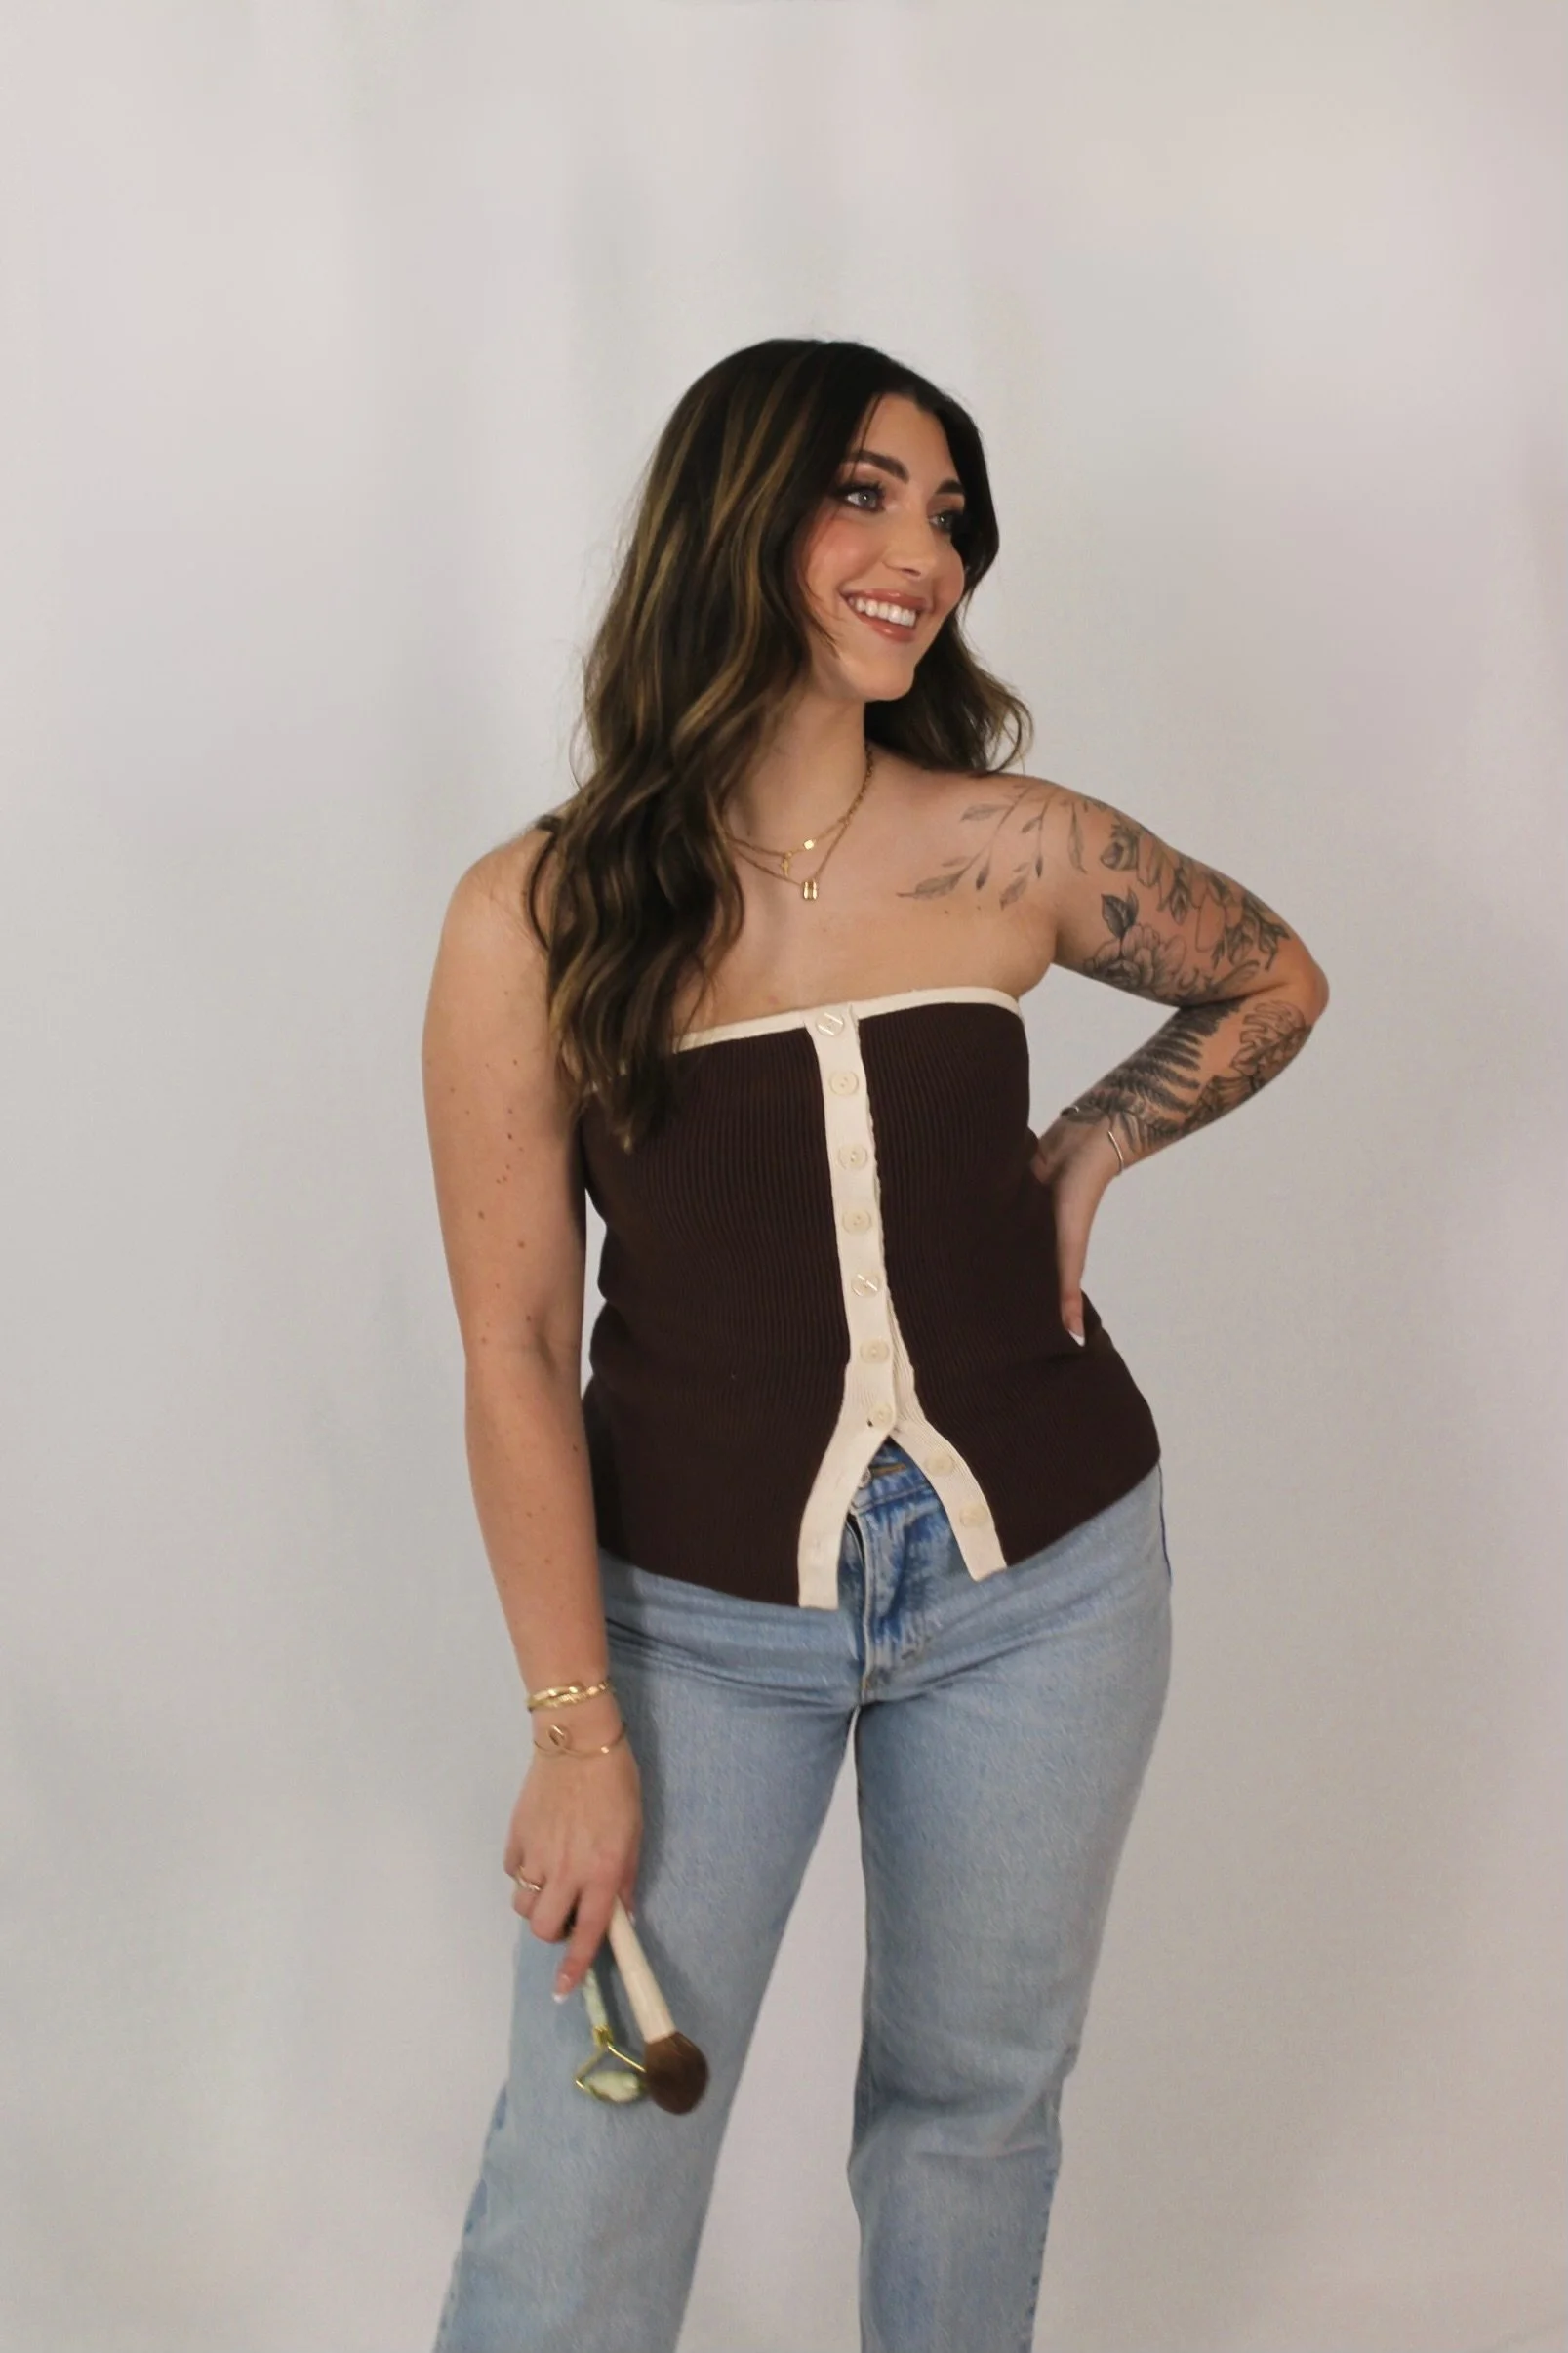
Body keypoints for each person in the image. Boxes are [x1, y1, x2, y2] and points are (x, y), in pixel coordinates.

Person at [420, 337, 1329, 2353]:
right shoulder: (541, 914)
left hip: (1047, 1585)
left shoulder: (1007, 845)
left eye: (946, 511)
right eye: (863, 488)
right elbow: (506, 1346)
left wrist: (1095, 1135)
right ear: (732, 513)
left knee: (966, 2117)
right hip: (686, 1629)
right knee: (598, 2147)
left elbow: (1270, 975)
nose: (917, 547)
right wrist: (575, 1725)